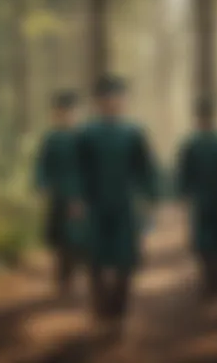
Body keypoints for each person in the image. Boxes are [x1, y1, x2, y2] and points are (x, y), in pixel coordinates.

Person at [71, 74, 159, 334]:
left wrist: (150, 197)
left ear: (124, 101)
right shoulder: (86, 133)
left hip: (125, 203)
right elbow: (78, 168)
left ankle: (119, 308)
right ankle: (100, 307)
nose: (112, 102)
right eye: (106, 98)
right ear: (97, 102)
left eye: (117, 97)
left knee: (126, 257)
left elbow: (145, 167)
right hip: (96, 202)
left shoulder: (134, 132)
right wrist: (77, 198)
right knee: (95, 256)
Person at [175, 97, 217, 298]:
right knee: (203, 243)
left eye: (208, 115)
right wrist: (184, 196)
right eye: (202, 116)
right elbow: (184, 173)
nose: (205, 119)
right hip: (202, 200)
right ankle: (209, 281)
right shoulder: (191, 145)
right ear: (198, 118)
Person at [35, 91, 81, 297]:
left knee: (76, 236)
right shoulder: (51, 138)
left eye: (69, 111)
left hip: (77, 194)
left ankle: (73, 274)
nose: (65, 115)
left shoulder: (81, 137)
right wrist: (42, 184)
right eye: (61, 111)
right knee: (59, 237)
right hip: (57, 194)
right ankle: (63, 277)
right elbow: (42, 165)